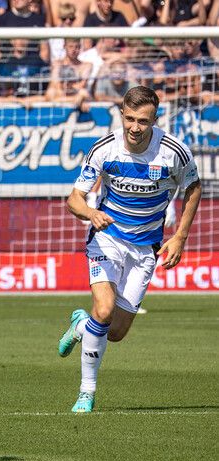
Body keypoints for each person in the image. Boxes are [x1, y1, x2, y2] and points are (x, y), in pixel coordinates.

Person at [58, 86, 202, 413]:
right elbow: (73, 198)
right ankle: (87, 392)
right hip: (107, 238)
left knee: (117, 332)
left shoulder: (174, 152)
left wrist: (180, 236)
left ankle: (81, 324)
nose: (135, 127)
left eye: (143, 121)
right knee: (105, 310)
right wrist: (91, 213)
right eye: (130, 119)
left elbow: (194, 187)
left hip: (145, 248)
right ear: (122, 114)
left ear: (155, 120)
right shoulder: (104, 149)